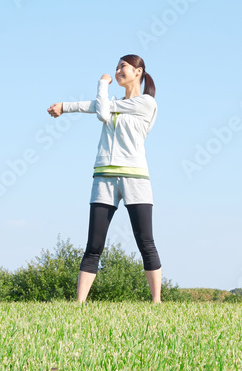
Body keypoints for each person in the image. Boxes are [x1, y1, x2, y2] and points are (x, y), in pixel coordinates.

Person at [47, 54, 162, 304]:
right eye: (117, 67)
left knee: (145, 241)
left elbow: (101, 112)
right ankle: (79, 304)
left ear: (138, 72)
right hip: (104, 178)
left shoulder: (146, 103)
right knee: (93, 244)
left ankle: (156, 302)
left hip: (135, 178)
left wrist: (102, 83)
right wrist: (63, 107)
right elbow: (96, 107)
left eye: (123, 66)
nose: (118, 70)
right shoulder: (110, 103)